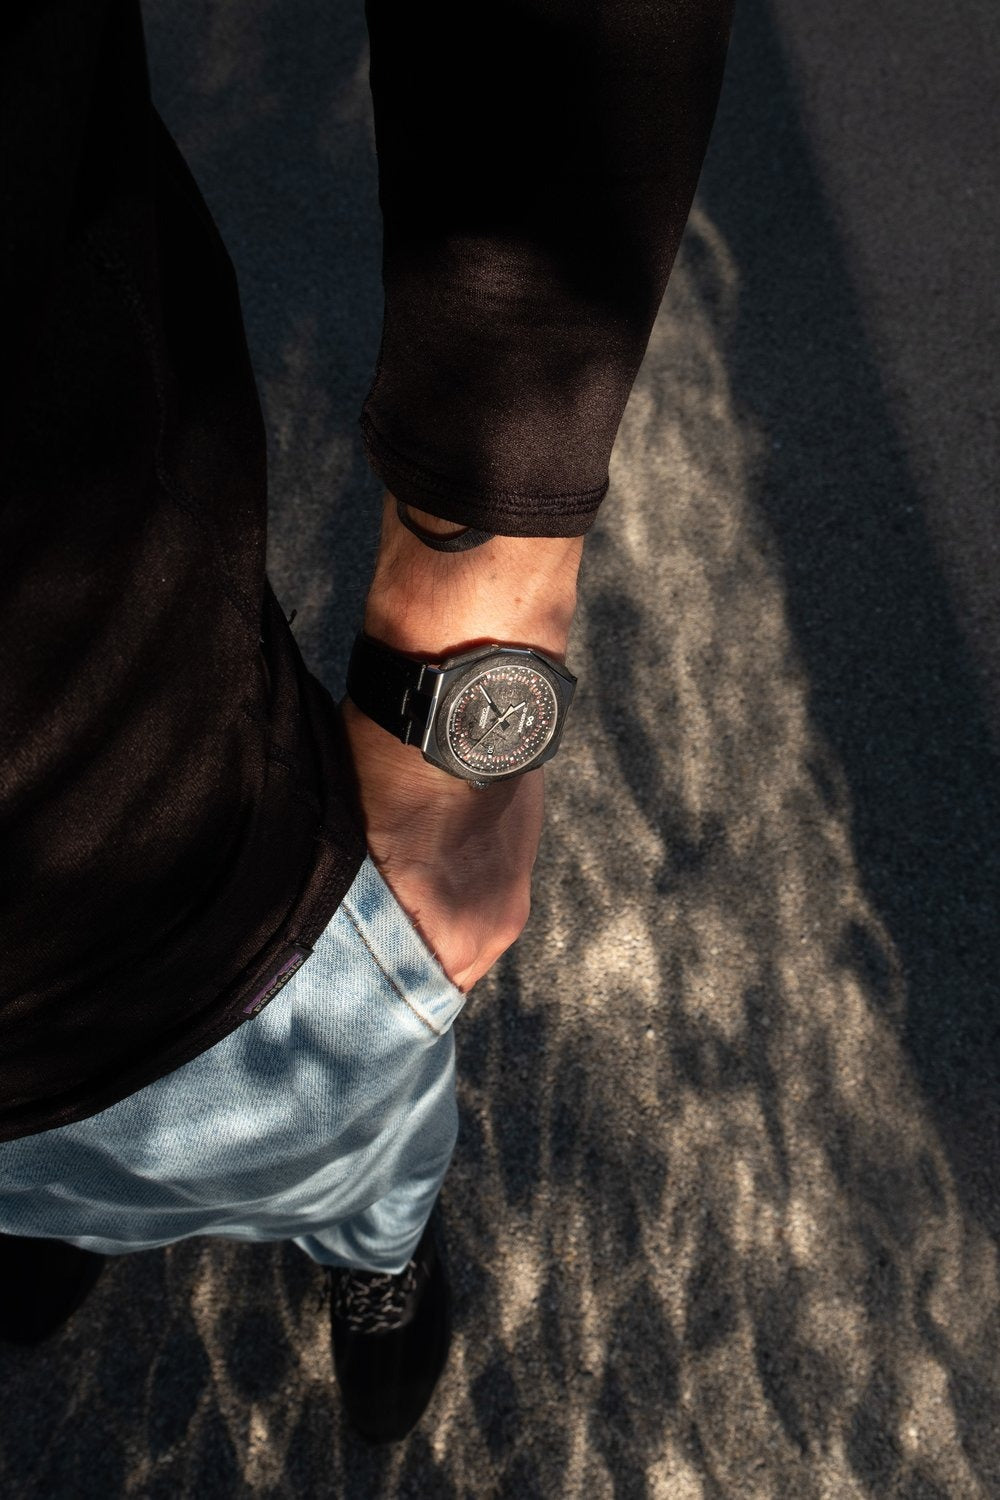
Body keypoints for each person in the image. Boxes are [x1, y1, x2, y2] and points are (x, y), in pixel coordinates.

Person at [0, 0, 734, 1443]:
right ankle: (75, 1214)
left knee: (371, 1146)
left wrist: (485, 637)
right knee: (70, 1185)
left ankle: (376, 1254)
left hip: (183, 874)